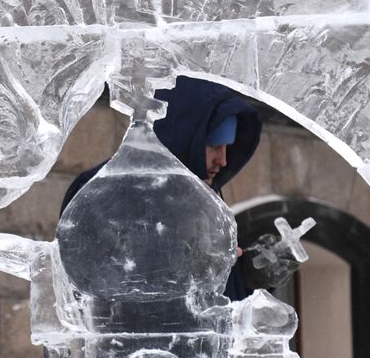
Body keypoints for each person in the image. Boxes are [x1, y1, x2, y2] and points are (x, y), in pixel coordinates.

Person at [62, 77, 264, 300]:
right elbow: (93, 289)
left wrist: (245, 278)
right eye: (213, 145)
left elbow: (216, 306)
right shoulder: (104, 191)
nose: (223, 160)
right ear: (185, 136)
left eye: (228, 147)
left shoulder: (204, 204)